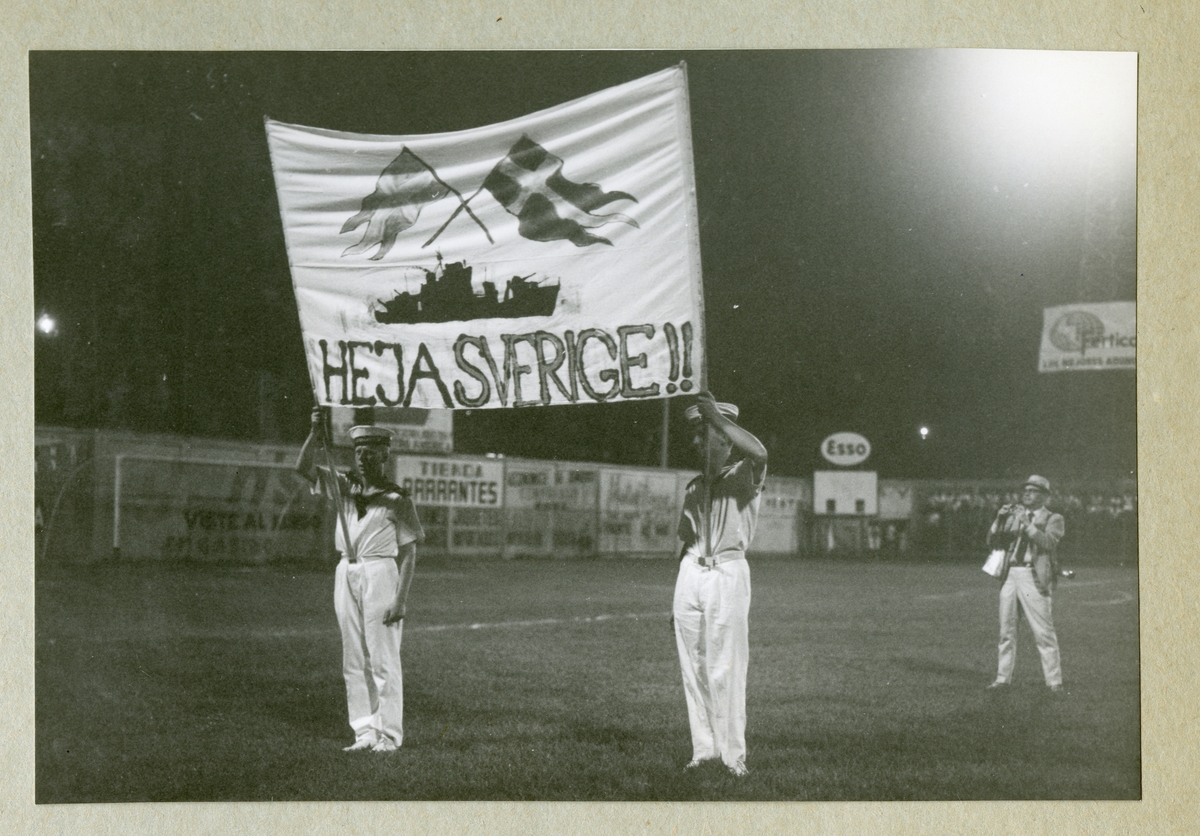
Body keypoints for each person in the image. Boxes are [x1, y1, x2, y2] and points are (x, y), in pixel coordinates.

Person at [296, 407, 424, 752]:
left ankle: (389, 736)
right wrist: (314, 430)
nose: (363, 458)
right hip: (345, 570)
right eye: (358, 451)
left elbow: (410, 552)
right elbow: (303, 468)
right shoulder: (343, 486)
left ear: (384, 455)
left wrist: (400, 599)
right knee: (353, 659)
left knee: (382, 658)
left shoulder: (397, 499)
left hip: (380, 572)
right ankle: (364, 733)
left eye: (371, 452)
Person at [672, 391, 768, 777]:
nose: (696, 441)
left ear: (724, 439)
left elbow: (759, 453)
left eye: (703, 433)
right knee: (692, 665)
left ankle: (732, 756)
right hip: (691, 573)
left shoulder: (743, 475)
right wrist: (676, 596)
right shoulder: (695, 487)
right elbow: (686, 540)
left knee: (725, 666)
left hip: (727, 572)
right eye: (694, 434)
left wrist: (717, 416)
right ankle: (704, 750)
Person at [985, 474, 1065, 694]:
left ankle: (1054, 681)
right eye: (1026, 490)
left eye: (1033, 491)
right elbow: (992, 541)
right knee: (1006, 630)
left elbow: (1048, 542)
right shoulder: (1014, 515)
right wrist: (999, 519)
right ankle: (1002, 678)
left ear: (1044, 496)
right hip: (1010, 574)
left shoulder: (1054, 518)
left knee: (1043, 631)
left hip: (1034, 575)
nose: (1026, 494)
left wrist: (1027, 523)